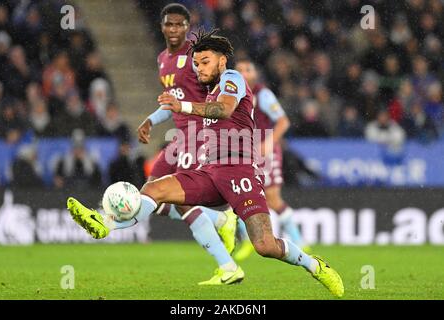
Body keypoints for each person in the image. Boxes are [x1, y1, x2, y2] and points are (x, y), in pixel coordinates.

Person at [67, 28, 344, 297]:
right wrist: (159, 117)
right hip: (209, 172)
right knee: (154, 189)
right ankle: (106, 223)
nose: (199, 68)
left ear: (222, 61)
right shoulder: (207, 92)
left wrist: (183, 107)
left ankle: (315, 265)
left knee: (265, 245)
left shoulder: (232, 79)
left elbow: (224, 110)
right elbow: (188, 108)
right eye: (196, 63)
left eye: (205, 62)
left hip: (240, 171)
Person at [81, 4, 240, 285]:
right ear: (162, 26)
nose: (174, 29)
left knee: (177, 200)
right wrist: (150, 120)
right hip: (180, 138)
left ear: (188, 26)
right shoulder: (162, 59)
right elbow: (172, 102)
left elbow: (217, 89)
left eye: (180, 24)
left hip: (201, 135)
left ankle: (106, 222)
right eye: (169, 24)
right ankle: (220, 224)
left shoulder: (196, 57)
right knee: (152, 195)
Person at [233, 58, 309, 261]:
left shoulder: (262, 94)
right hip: (243, 152)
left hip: (265, 152)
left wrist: (269, 143)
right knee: (239, 195)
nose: (243, 73)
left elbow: (283, 121)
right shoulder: (230, 95)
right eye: (239, 70)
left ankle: (299, 242)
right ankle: (248, 242)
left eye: (248, 69)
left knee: (273, 198)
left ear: (255, 74)